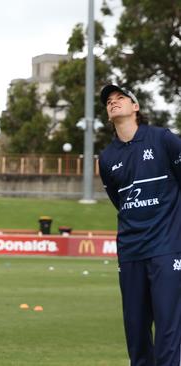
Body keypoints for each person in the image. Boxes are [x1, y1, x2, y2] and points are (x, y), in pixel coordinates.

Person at [98, 84, 181, 365]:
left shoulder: (164, 139)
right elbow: (118, 200)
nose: (113, 103)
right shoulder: (107, 157)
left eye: (120, 98)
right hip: (130, 250)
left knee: (168, 333)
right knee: (136, 334)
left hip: (167, 249)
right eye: (108, 101)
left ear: (135, 107)